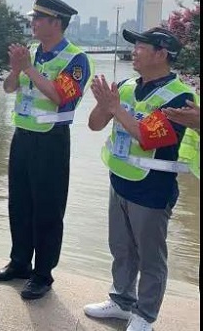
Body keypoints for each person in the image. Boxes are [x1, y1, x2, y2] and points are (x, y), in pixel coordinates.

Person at [84, 27, 196, 331]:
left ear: (161, 54)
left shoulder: (179, 96)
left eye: (141, 47)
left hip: (152, 187)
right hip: (120, 178)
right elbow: (94, 125)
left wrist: (115, 108)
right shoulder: (125, 86)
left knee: (150, 256)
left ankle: (145, 315)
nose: (133, 52)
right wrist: (104, 105)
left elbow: (149, 138)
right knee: (121, 246)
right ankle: (121, 301)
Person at [0, 0, 92, 300]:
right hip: (23, 135)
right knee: (19, 203)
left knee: (47, 207)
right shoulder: (31, 52)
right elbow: (9, 87)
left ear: (56, 23)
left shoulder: (75, 59)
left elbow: (61, 96)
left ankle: (43, 274)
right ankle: (20, 262)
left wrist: (28, 68)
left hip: (51, 139)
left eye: (38, 18)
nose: (32, 23)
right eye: (33, 17)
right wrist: (17, 68)